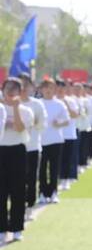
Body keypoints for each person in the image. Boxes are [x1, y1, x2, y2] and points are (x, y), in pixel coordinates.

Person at [0, 78, 34, 243]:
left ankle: (16, 228)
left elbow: (20, 128)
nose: (10, 92)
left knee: (18, 190)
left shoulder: (26, 111)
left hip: (17, 150)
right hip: (1, 150)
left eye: (14, 89)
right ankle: (1, 228)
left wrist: (15, 109)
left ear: (20, 92)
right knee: (1, 191)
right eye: (7, 88)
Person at [19, 75, 46, 221]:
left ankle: (29, 206)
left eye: (26, 85)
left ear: (31, 87)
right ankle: (17, 207)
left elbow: (42, 125)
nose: (23, 89)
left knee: (31, 179)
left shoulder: (37, 104)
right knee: (15, 181)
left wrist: (33, 122)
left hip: (33, 147)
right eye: (20, 85)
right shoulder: (7, 104)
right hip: (14, 148)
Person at [39, 79, 70, 204]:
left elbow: (67, 120)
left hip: (56, 140)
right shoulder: (38, 103)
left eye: (51, 88)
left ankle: (53, 192)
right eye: (45, 88)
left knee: (54, 168)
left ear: (54, 89)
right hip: (40, 141)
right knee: (41, 169)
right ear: (41, 90)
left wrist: (60, 123)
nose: (48, 90)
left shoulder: (59, 104)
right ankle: (42, 193)